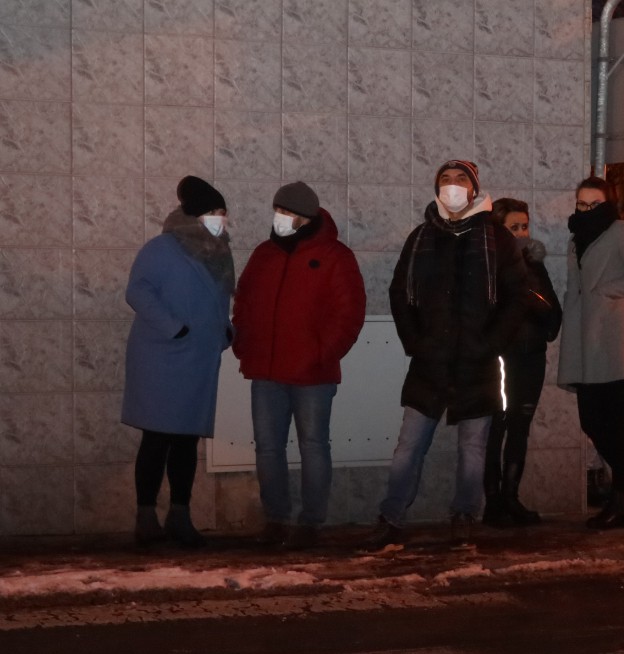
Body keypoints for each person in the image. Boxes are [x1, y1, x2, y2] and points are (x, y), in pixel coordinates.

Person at [365, 160, 529, 552]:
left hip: (478, 364)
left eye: (461, 180)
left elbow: (517, 296)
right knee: (408, 447)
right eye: (445, 180)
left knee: (473, 449)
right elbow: (399, 293)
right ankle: (391, 517)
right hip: (430, 363)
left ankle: (464, 515)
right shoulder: (422, 236)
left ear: (474, 189)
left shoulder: (497, 239)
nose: (453, 187)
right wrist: (416, 342)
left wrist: (490, 344)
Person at [232, 181, 366, 550]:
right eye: (278, 210)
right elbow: (243, 302)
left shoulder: (336, 256)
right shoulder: (264, 254)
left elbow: (349, 313)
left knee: (313, 445)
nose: (281, 218)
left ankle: (311, 522)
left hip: (312, 374)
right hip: (266, 370)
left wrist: (322, 354)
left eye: (289, 213)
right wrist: (244, 345)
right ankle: (276, 519)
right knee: (268, 448)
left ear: (307, 218)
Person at [122, 176, 235, 548]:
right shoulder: (162, 248)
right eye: (217, 213)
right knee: (156, 438)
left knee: (186, 441)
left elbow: (217, 301)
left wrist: (225, 332)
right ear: (199, 214)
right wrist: (175, 329)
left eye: (223, 213)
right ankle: (145, 517)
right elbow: (137, 291)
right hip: (163, 357)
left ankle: (180, 516)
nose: (223, 219)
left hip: (198, 359)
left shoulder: (219, 251)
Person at [557, 177, 624, 530]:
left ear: (607, 202)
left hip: (611, 335)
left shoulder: (621, 230)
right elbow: (573, 285)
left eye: (592, 203)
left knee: (611, 422)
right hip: (583, 336)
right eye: (581, 203)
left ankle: (619, 501)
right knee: (590, 420)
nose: (584, 209)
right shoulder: (575, 238)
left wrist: (603, 293)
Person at [482, 198, 562, 528]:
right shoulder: (490, 266)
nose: (521, 234)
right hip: (502, 360)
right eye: (513, 228)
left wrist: (539, 308)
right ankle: (493, 502)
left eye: (524, 226)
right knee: (495, 428)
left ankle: (511, 498)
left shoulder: (535, 264)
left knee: (520, 427)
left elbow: (554, 314)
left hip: (532, 358)